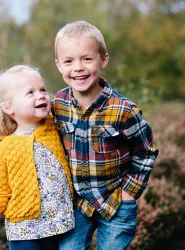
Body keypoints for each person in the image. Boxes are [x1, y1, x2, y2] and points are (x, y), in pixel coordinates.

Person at [52, 20, 159, 250]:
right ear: (58, 65)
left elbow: (146, 152)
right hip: (76, 203)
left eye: (87, 58)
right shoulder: (57, 105)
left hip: (115, 201)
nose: (78, 67)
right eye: (69, 61)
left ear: (104, 59)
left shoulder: (123, 110)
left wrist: (129, 193)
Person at [0, 65, 74, 250]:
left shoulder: (53, 126)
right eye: (30, 92)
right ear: (8, 107)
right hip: (24, 231)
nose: (41, 95)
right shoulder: (6, 148)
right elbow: (0, 189)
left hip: (60, 224)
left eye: (42, 90)